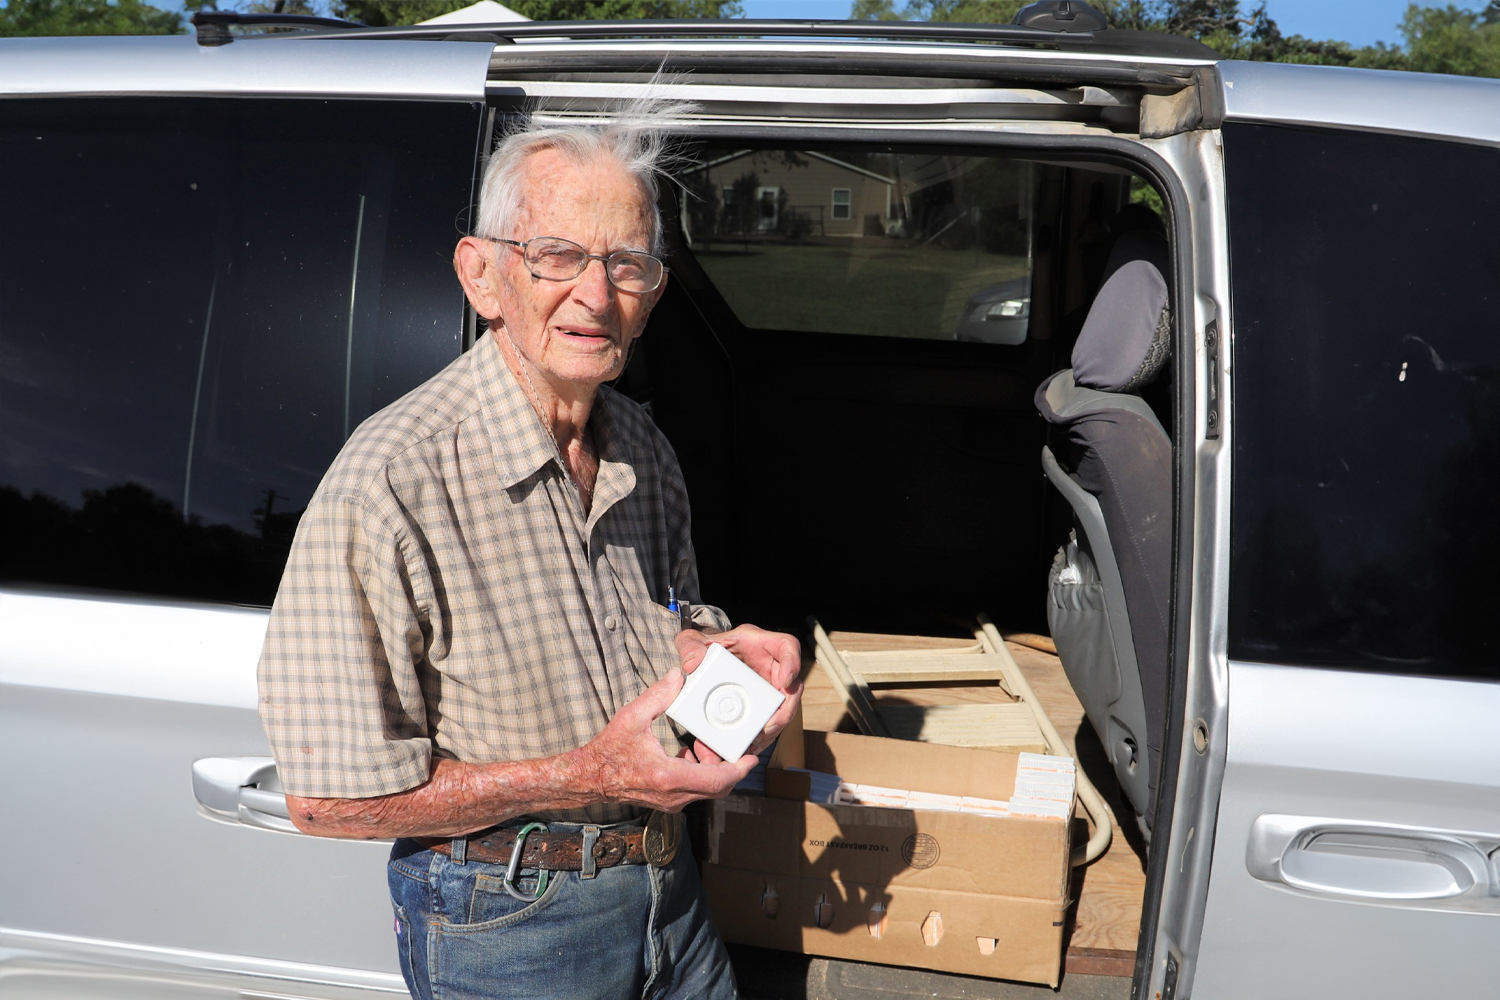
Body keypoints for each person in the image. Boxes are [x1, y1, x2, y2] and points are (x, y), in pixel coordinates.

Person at [256, 103, 803, 1000]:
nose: (596, 295)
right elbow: (329, 800)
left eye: (627, 263)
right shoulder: (393, 479)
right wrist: (584, 774)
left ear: (654, 291)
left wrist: (719, 660)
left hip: (671, 891)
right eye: (556, 256)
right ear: (483, 277)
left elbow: (654, 625)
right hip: (510, 918)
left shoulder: (642, 447)